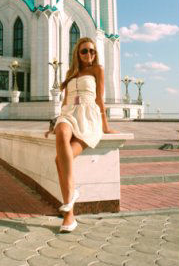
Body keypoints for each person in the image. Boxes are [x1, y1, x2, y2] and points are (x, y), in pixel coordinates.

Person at [53, 37, 118, 233]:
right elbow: (65, 101)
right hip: (69, 113)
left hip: (88, 116)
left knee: (59, 160)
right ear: (77, 54)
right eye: (84, 51)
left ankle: (69, 214)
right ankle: (71, 195)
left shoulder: (97, 70)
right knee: (61, 131)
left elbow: (99, 98)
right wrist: (57, 120)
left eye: (92, 51)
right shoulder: (70, 73)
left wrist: (105, 126)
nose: (89, 54)